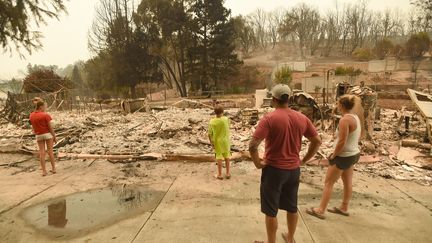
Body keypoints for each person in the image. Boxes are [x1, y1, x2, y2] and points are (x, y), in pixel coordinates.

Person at [249, 84, 322, 243]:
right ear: (288, 99)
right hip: (293, 170)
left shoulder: (269, 119)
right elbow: (316, 141)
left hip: (274, 171)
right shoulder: (302, 118)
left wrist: (258, 164)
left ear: (273, 99)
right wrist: (304, 160)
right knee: (291, 206)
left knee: (271, 211)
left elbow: (253, 145)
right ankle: (290, 237)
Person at [306, 95, 363, 219]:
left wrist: (333, 155)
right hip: (353, 154)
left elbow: (342, 141)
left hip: (343, 156)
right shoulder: (356, 118)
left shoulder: (345, 120)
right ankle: (344, 207)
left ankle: (320, 210)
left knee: (328, 183)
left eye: (337, 104)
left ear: (341, 105)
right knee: (348, 182)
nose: (336, 106)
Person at [29, 98, 57, 177]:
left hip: (38, 135)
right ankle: (54, 169)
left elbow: (32, 126)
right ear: (41, 106)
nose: (45, 108)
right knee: (50, 151)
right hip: (47, 134)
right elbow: (50, 127)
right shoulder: (45, 115)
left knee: (42, 153)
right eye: (44, 106)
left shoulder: (31, 115)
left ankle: (44, 171)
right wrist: (54, 137)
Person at [208, 105, 231, 180]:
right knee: (227, 156)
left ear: (214, 112)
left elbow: (209, 134)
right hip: (226, 141)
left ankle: (220, 174)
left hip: (217, 142)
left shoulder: (212, 121)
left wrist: (211, 143)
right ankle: (228, 173)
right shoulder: (225, 119)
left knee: (219, 157)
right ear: (223, 112)